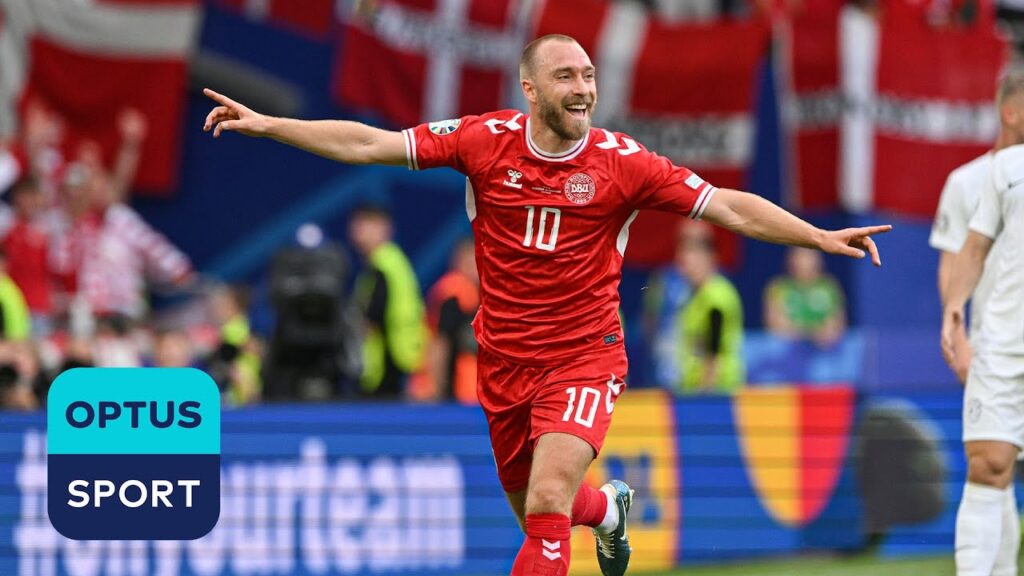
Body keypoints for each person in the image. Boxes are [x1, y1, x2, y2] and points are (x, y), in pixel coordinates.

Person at [202, 33, 890, 576]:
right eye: (566, 77)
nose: (583, 88)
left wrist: (818, 235)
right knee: (540, 512)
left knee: (547, 500)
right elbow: (370, 142)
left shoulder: (624, 162)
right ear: (530, 89)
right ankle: (611, 512)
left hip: (584, 358)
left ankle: (590, 508)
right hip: (505, 365)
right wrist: (268, 124)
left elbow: (727, 206)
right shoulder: (482, 141)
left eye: (589, 76)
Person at [941, 72, 1024, 576]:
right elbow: (971, 248)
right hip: (1001, 343)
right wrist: (954, 310)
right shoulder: (1001, 171)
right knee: (990, 464)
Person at [349, 203, 427, 399]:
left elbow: (375, 314)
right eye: (357, 224)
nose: (358, 230)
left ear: (385, 228)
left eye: (366, 224)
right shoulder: (384, 263)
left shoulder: (386, 264)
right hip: (392, 360)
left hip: (391, 362)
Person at [676, 222, 745, 394]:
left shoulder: (716, 296)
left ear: (708, 259)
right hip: (695, 385)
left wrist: (706, 389)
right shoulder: (695, 295)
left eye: (691, 262)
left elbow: (714, 348)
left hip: (716, 388)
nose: (686, 269)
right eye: (684, 264)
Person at [413, 237, 480, 404]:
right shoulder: (454, 294)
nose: (474, 265)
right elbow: (439, 342)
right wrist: (436, 388)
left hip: (470, 389)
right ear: (458, 261)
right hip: (457, 392)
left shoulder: (479, 292)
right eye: (468, 259)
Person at [763, 246, 847, 347]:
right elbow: (776, 326)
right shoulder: (778, 287)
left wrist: (819, 333)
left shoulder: (829, 287)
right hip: (786, 354)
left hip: (824, 354)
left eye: (810, 256)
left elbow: (836, 325)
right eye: (801, 256)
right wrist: (811, 333)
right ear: (791, 260)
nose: (805, 261)